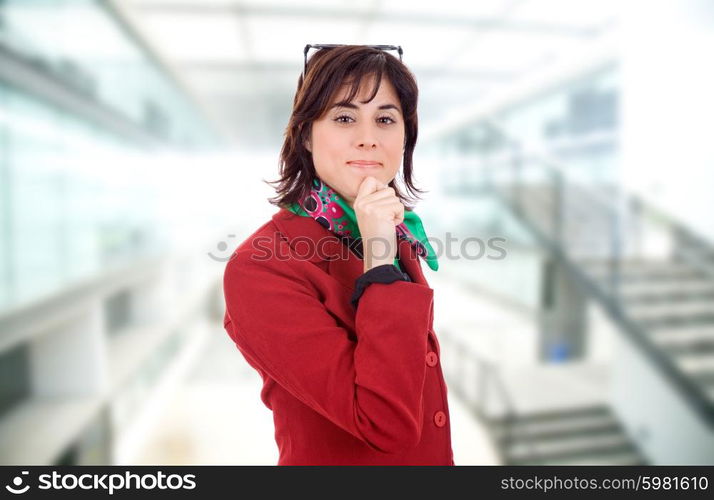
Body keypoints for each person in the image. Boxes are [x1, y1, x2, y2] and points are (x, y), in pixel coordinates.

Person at [222, 44, 454, 465]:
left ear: (404, 138)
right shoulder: (260, 267)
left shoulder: (380, 226)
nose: (368, 137)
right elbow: (384, 423)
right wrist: (380, 259)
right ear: (306, 135)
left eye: (385, 119)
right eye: (344, 117)